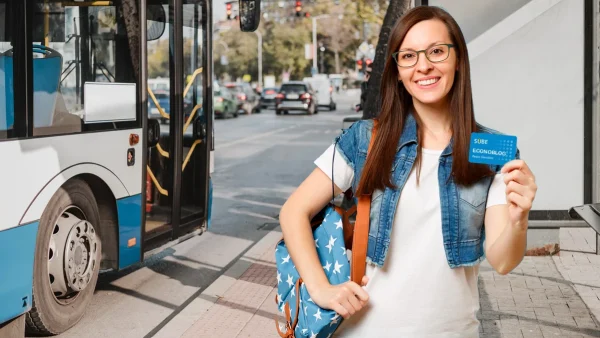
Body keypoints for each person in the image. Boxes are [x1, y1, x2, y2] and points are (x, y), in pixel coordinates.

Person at [278, 5, 537, 338]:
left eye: (436, 51)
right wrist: (321, 289)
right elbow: (294, 211)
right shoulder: (365, 140)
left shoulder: (492, 151)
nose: (423, 66)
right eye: (409, 56)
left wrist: (520, 219)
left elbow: (502, 261)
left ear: (458, 59)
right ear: (397, 70)